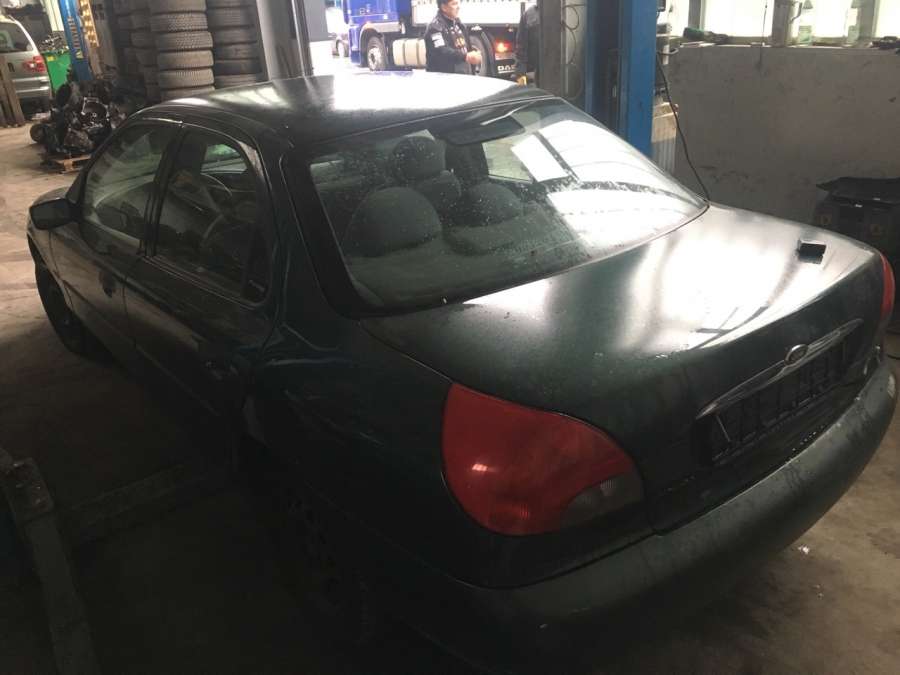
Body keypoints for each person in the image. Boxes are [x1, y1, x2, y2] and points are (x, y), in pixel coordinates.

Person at [424, 0, 482, 75]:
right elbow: (442, 51)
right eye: (454, 4)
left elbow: (467, 48)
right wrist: (466, 57)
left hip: (464, 75)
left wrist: (473, 56)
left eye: (458, 3)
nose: (458, 7)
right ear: (444, 7)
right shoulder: (435, 27)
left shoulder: (459, 24)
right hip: (445, 77)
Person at [515, 3, 540, 85]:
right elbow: (521, 46)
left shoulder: (529, 13)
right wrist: (521, 80)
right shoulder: (529, 14)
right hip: (539, 70)